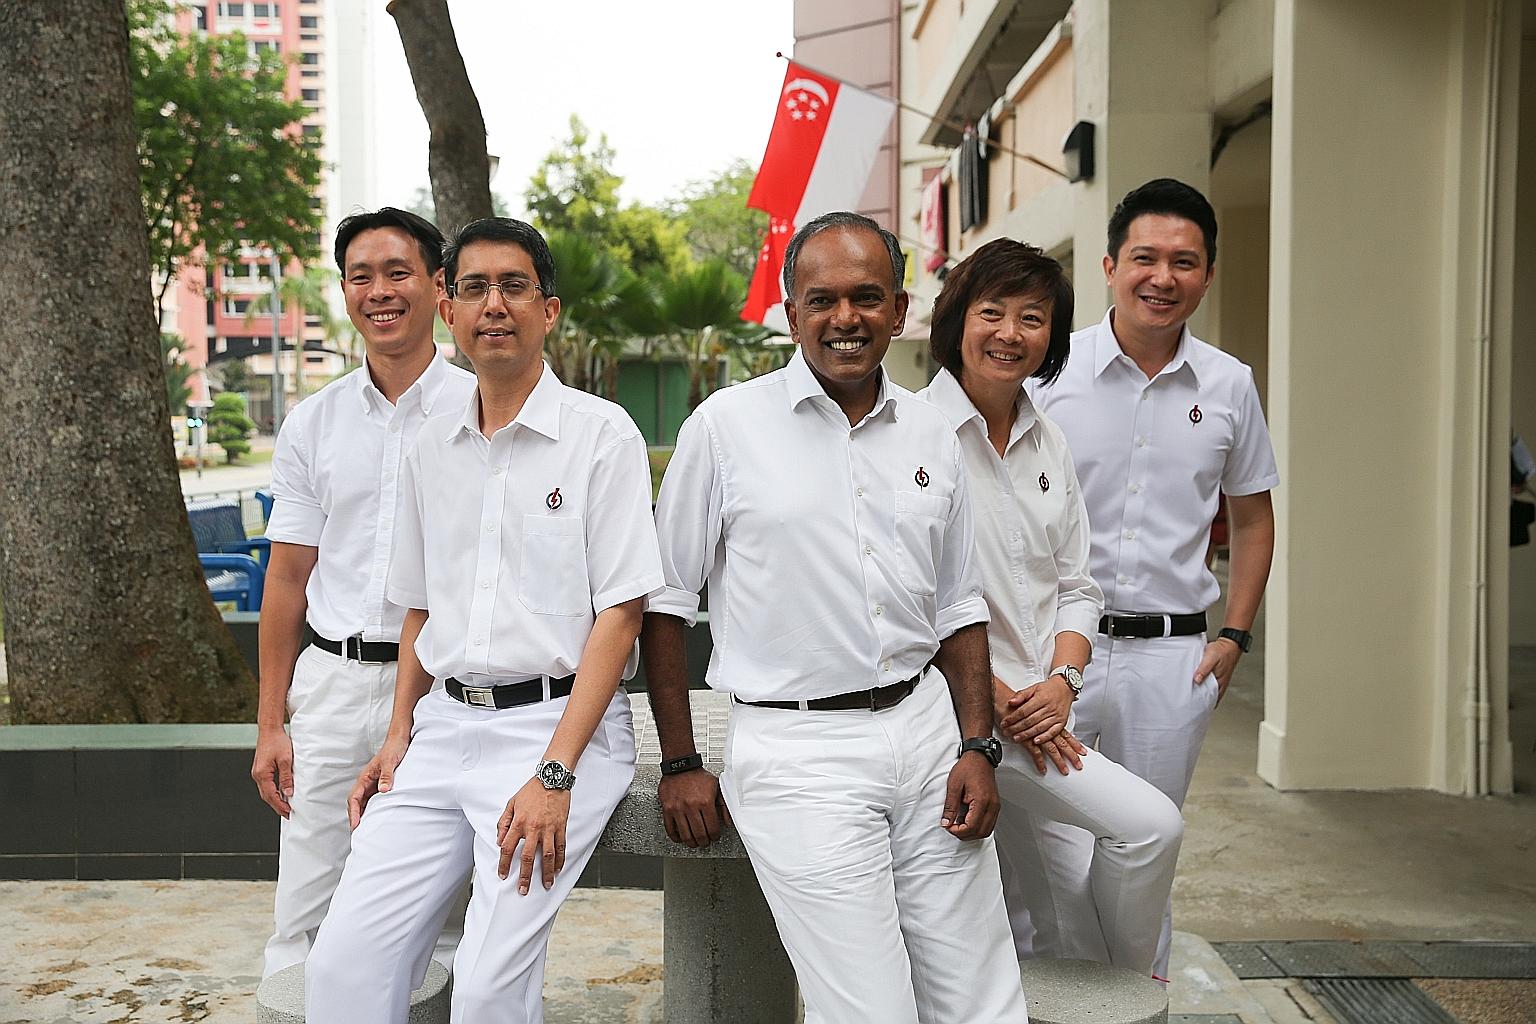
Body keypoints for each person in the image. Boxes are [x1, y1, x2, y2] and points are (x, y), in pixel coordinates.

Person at [642, 211, 1029, 1023]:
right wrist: (680, 762)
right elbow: (665, 605)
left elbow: (959, 607)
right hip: (797, 752)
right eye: (822, 300)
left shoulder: (933, 430)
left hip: (928, 738)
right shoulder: (724, 428)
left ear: (899, 307)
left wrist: (976, 744)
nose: (844, 319)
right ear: (791, 313)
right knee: (869, 1013)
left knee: (983, 1002)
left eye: (866, 297)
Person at [303, 217, 663, 1023]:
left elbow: (622, 613)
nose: (492, 305)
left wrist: (555, 773)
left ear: (550, 308)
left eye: (513, 286)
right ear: (447, 305)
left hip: (556, 729)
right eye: (473, 288)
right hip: (442, 730)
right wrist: (398, 733)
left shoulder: (601, 437)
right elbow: (420, 605)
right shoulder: (431, 443)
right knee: (341, 966)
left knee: (491, 983)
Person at [1030, 179, 1278, 979]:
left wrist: (1235, 635)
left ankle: (1138, 994)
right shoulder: (1048, 371)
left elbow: (1251, 516)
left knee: (1148, 847)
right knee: (1052, 850)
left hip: (1174, 659)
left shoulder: (1230, 384)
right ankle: (1058, 996)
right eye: (1145, 258)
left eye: (1184, 261)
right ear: (1109, 265)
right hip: (1054, 652)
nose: (1161, 277)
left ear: (1207, 275)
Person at [916, 238, 1183, 974]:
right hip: (955, 720)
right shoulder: (910, 436)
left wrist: (1059, 686)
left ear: (1051, 337)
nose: (1010, 332)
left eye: (1032, 318)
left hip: (1042, 719)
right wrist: (1001, 701)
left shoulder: (1048, 441)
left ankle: (1121, 998)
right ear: (955, 321)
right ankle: (1128, 998)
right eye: (991, 311)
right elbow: (907, 602)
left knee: (1072, 920)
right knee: (1149, 827)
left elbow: (1078, 585)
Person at [252, 207, 476, 978]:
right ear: (345, 291)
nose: (379, 291)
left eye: (398, 272)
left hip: (446, 690)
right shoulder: (313, 423)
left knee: (437, 911)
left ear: (438, 287)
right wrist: (270, 722)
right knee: (304, 905)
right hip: (333, 684)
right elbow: (287, 578)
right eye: (361, 276)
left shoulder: (481, 409)